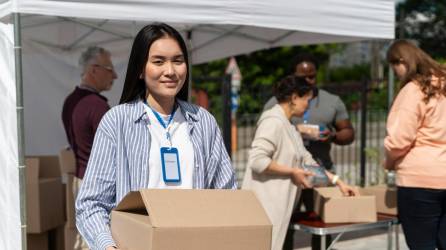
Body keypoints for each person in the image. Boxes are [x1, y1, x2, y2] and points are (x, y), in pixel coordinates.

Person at [75, 23, 237, 250]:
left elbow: (226, 193)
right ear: (140, 69)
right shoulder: (118, 122)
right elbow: (91, 204)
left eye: (178, 61)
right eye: (159, 61)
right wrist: (107, 246)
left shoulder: (204, 122)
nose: (170, 71)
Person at [242, 75, 357, 250]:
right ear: (294, 98)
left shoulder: (288, 127)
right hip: (265, 208)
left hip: (277, 208)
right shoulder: (272, 122)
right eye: (307, 101)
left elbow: (307, 161)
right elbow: (257, 161)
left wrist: (337, 181)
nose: (308, 106)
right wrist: (292, 172)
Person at [384, 39, 446, 250]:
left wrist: (389, 161)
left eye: (394, 68)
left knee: (422, 245)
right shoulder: (443, 86)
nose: (396, 73)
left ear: (401, 61)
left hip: (419, 180)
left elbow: (399, 140)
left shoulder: (413, 90)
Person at [62, 46, 117, 250]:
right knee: (93, 240)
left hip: (79, 179)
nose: (115, 75)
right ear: (94, 70)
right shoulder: (96, 106)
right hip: (95, 186)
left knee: (83, 237)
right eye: (110, 69)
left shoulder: (70, 101)